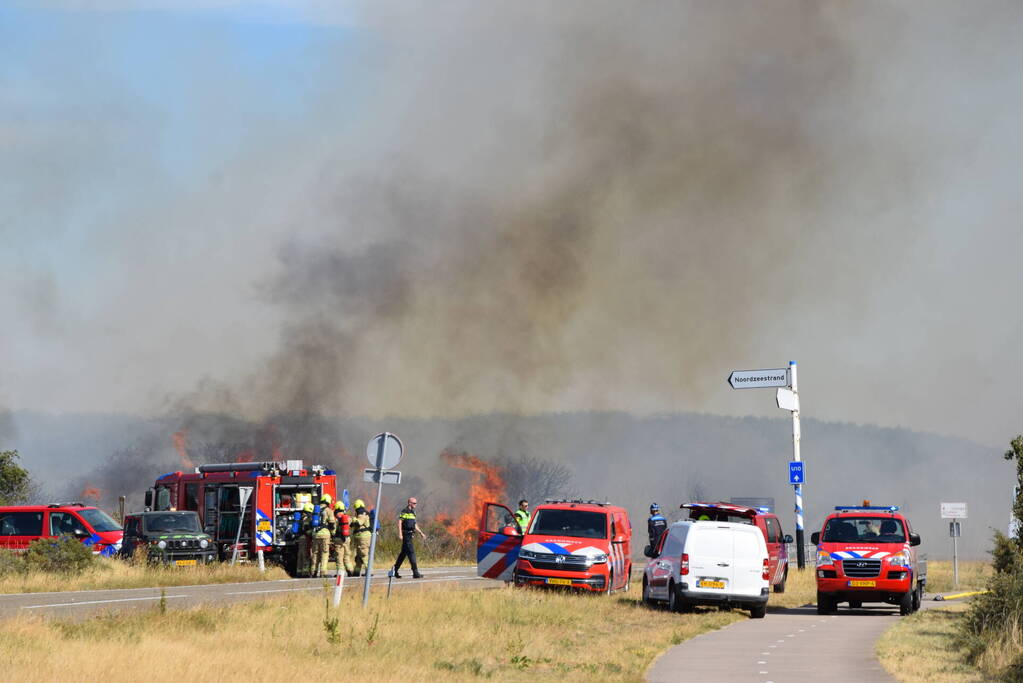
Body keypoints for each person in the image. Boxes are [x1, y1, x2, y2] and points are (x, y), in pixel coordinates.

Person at [393, 497, 427, 579]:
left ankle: (394, 570)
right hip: (406, 534)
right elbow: (400, 522)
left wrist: (421, 533)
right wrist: (400, 534)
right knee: (411, 553)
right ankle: (415, 572)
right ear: (409, 503)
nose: (416, 504)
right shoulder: (405, 511)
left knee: (403, 554)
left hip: (410, 535)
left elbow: (414, 524)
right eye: (414, 503)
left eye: (416, 503)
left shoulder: (413, 512)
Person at [311, 494, 336, 578]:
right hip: (325, 534)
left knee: (315, 553)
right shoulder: (328, 510)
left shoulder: (315, 510)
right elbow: (332, 523)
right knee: (324, 553)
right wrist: (333, 533)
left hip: (315, 534)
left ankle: (313, 572)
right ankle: (323, 572)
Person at [351, 499, 372, 577]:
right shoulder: (360, 513)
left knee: (363, 554)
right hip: (360, 537)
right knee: (359, 556)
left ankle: (369, 571)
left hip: (363, 537)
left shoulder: (362, 513)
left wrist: (353, 519)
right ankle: (356, 571)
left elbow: (358, 523)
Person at [332, 500, 354, 576]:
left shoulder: (336, 518)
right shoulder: (347, 517)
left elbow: (333, 529)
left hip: (339, 539)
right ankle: (350, 570)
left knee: (339, 557)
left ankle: (340, 573)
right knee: (347, 556)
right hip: (347, 539)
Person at [296, 502, 314, 577]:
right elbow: (307, 530)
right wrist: (313, 533)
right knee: (306, 555)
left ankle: (299, 571)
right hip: (305, 538)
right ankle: (305, 572)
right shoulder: (308, 518)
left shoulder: (300, 518)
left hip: (300, 538)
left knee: (300, 555)